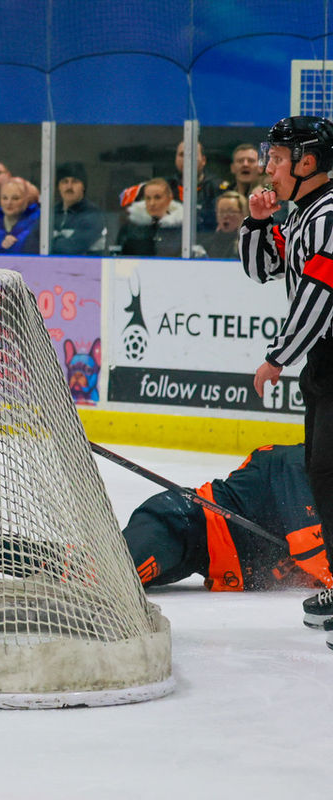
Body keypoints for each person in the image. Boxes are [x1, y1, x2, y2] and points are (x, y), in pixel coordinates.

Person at [240, 115, 333, 640]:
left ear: (308, 162)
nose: (268, 168)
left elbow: (321, 293)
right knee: (323, 472)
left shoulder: (330, 215)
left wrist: (277, 357)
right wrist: (257, 223)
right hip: (324, 365)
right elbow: (263, 269)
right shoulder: (303, 215)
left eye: (277, 159)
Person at [123, 444, 332, 592]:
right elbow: (308, 548)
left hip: (202, 561)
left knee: (123, 590)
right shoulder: (298, 462)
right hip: (183, 523)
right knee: (113, 580)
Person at [118, 140, 218, 232]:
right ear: (176, 159)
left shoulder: (217, 187)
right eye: (181, 155)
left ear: (203, 160)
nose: (186, 159)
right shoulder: (162, 186)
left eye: (192, 155)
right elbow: (125, 202)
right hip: (164, 241)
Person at [116, 177, 184, 257]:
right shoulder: (130, 228)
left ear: (169, 198)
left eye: (157, 197)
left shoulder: (183, 228)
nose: (152, 203)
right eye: (148, 198)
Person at [49, 162, 105, 255]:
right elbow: (32, 243)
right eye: (64, 181)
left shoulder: (92, 214)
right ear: (58, 187)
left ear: (83, 187)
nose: (69, 187)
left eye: (75, 181)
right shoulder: (50, 213)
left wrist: (51, 242)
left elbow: (70, 249)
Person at [197, 190, 247, 260]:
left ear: (243, 214)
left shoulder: (248, 244)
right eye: (221, 212)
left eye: (231, 211)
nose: (225, 216)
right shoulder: (206, 246)